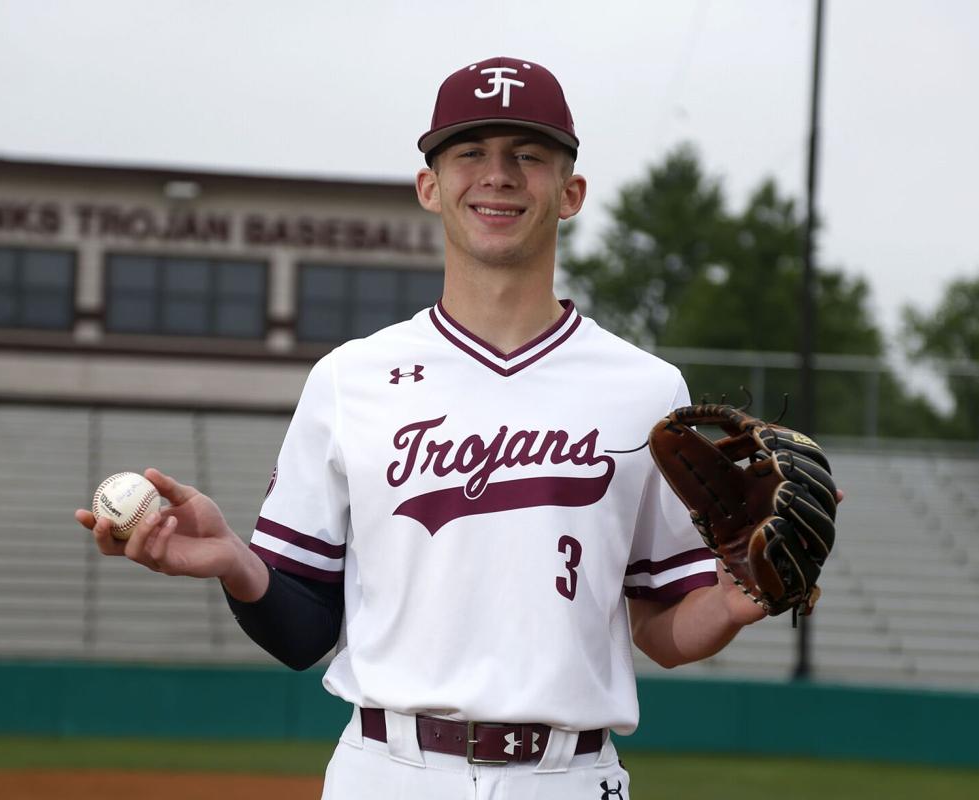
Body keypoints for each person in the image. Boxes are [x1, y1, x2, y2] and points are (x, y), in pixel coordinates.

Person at [75, 56, 776, 799]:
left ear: (570, 193)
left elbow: (661, 628)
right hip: (387, 770)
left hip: (570, 776)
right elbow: (302, 630)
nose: (498, 175)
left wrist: (733, 603)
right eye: (470, 152)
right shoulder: (351, 379)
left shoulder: (647, 391)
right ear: (429, 186)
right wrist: (236, 564)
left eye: (528, 156)